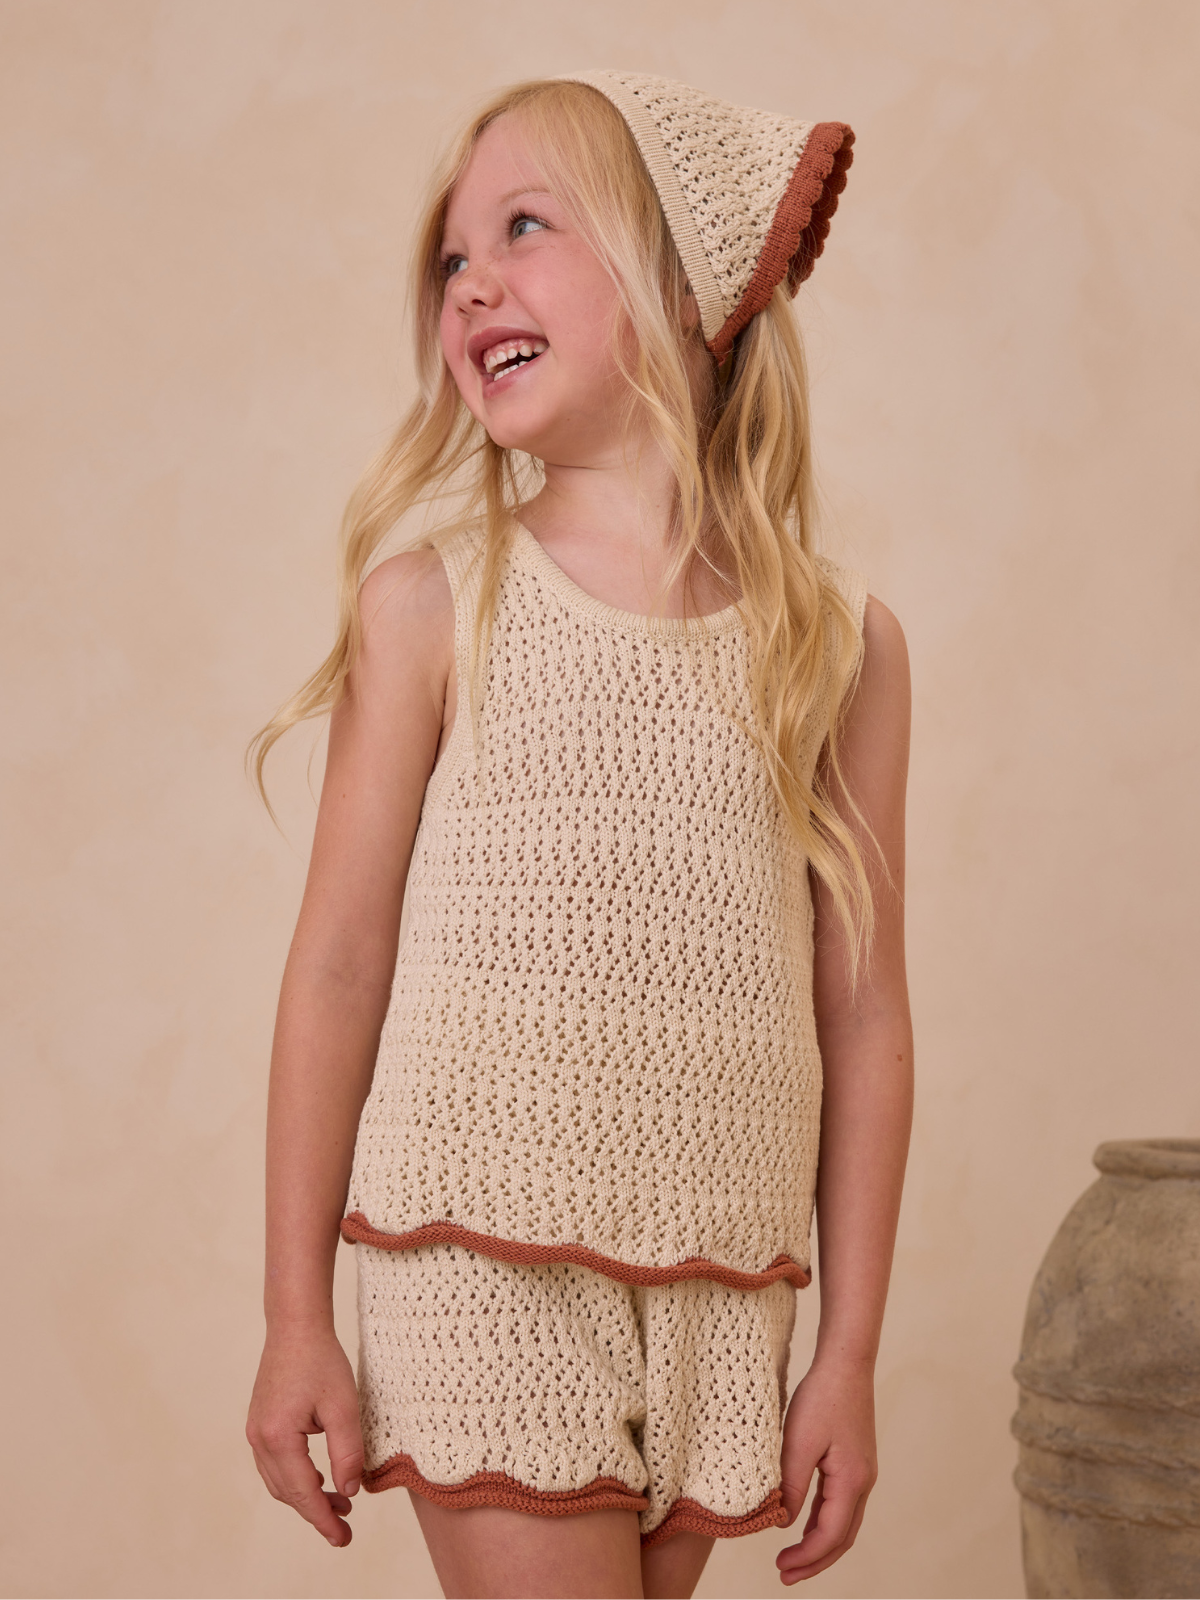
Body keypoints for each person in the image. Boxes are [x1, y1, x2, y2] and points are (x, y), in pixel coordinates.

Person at [245, 70, 913, 1600]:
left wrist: (851, 1353)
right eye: (451, 257)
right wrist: (297, 1315)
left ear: (688, 287)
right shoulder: (435, 603)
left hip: (722, 1281)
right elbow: (339, 965)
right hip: (476, 1242)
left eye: (524, 227)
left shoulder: (838, 647)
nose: (471, 280)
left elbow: (864, 1014)